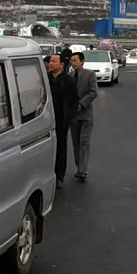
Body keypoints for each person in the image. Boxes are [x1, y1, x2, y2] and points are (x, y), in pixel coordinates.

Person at [47, 53, 78, 188]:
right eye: (50, 61)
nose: (50, 63)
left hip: (61, 121)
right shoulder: (44, 79)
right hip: (46, 120)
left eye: (54, 61)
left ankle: (59, 176)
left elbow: (73, 102)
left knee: (61, 149)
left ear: (61, 64)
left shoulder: (70, 81)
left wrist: (68, 119)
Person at [69, 52, 98, 181]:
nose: (72, 63)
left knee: (84, 142)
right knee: (75, 142)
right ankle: (79, 167)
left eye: (75, 60)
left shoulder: (90, 74)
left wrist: (81, 104)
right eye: (71, 60)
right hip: (73, 116)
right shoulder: (69, 76)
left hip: (86, 115)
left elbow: (94, 92)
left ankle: (83, 170)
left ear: (82, 61)